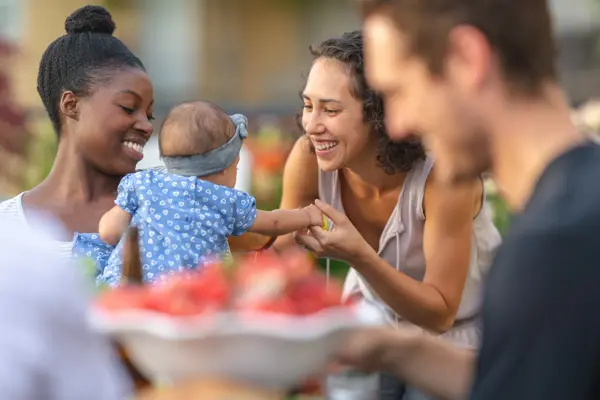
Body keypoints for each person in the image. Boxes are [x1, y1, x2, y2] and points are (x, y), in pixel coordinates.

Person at [331, 0, 600, 399]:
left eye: (399, 92)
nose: (396, 125)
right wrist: (392, 350)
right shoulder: (579, 210)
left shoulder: (552, 247)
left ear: (466, 59)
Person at [280, 31, 501, 399]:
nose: (311, 125)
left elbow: (440, 313)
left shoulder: (445, 176)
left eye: (331, 110)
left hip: (454, 342)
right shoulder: (308, 158)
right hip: (370, 325)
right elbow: (279, 252)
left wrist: (359, 256)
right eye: (308, 105)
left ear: (380, 114)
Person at [97, 101, 323, 285]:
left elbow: (109, 232)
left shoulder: (145, 182)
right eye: (236, 167)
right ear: (224, 167)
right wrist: (307, 215)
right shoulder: (224, 200)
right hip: (190, 296)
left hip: (126, 286)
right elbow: (273, 222)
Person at [0, 5, 154, 274]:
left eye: (149, 115)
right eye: (129, 108)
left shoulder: (167, 214)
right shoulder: (7, 227)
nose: (146, 126)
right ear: (71, 105)